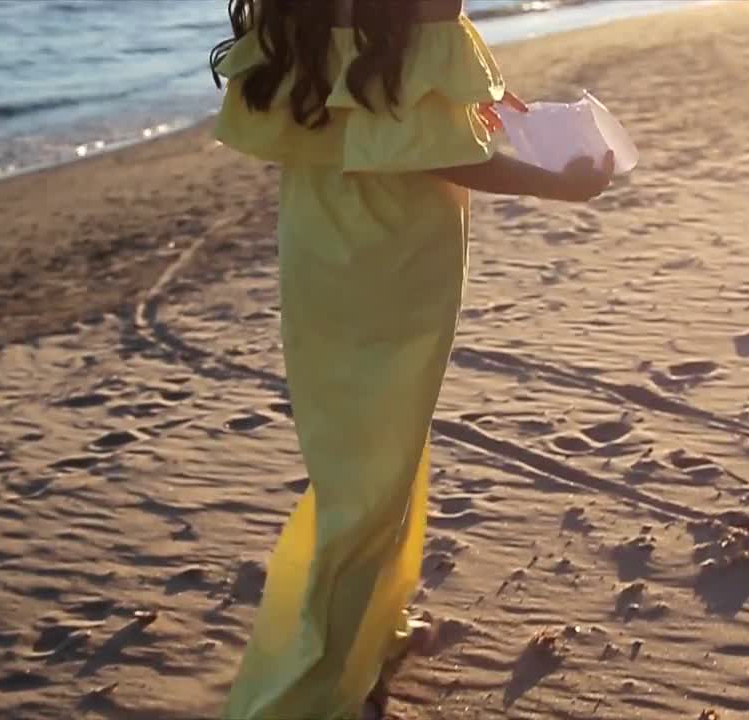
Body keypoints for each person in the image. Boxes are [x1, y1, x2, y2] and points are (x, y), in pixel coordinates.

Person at [208, 0, 613, 717]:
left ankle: (375, 629)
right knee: (370, 476)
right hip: (396, 249)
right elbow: (435, 147)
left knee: (369, 457)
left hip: (319, 236)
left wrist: (478, 104)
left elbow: (368, 99)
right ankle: (312, 691)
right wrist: (558, 183)